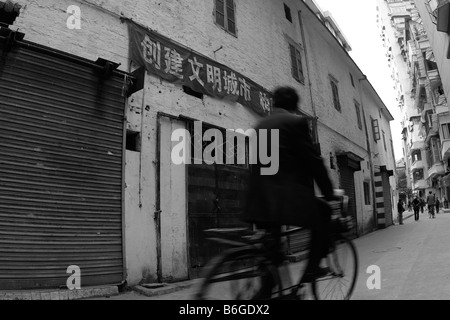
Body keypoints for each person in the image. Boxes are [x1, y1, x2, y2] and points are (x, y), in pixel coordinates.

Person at [243, 86, 337, 295]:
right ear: (295, 106)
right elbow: (313, 161)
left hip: (259, 201)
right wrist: (329, 194)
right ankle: (311, 272)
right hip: (285, 199)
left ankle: (267, 288)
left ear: (274, 103)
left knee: (272, 249)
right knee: (324, 213)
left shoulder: (259, 125)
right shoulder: (295, 122)